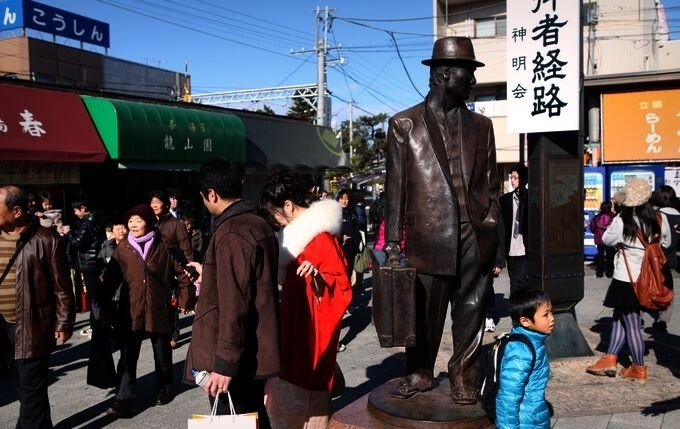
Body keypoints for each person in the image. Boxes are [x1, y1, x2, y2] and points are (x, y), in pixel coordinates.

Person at [384, 36, 500, 405]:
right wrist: (391, 244)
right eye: (467, 73)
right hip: (427, 236)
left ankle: (464, 374)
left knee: (472, 310)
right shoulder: (404, 124)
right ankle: (419, 372)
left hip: (474, 232)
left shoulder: (481, 125)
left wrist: (490, 222)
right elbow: (395, 189)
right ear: (443, 74)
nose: (472, 81)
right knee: (425, 312)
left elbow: (492, 184)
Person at [183, 159, 281, 428]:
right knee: (253, 419)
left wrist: (225, 365)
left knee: (238, 418)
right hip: (252, 349)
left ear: (211, 194)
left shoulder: (231, 232)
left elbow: (234, 304)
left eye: (204, 197)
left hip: (237, 357)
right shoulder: (258, 224)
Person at [261, 168, 352, 428]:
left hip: (309, 334)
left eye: (274, 213)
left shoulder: (320, 237)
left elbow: (341, 287)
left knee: (302, 404)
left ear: (288, 206)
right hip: (293, 325)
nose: (274, 219)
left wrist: (319, 278)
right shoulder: (294, 234)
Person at [102, 204, 190, 417]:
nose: (132, 225)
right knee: (127, 356)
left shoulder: (166, 245)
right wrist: (102, 302)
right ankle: (124, 399)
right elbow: (111, 279)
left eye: (138, 220)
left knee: (162, 352)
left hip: (158, 307)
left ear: (149, 222)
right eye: (130, 221)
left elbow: (183, 272)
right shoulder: (122, 248)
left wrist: (185, 299)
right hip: (130, 309)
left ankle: (164, 388)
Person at [0, 185, 75, 428]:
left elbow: (62, 287)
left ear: (17, 211)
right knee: (23, 387)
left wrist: (64, 322)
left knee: (31, 392)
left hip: (33, 326)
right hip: (3, 326)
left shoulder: (47, 240)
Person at [586, 178, 671, 383]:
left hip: (627, 278)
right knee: (619, 316)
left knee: (631, 324)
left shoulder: (624, 219)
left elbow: (607, 240)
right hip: (649, 277)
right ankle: (611, 358)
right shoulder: (659, 217)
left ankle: (639, 368)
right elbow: (666, 243)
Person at [495, 289, 554, 429]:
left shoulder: (535, 341)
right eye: (545, 315)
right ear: (525, 321)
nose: (552, 318)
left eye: (552, 312)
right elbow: (508, 398)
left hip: (533, 417)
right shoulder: (520, 352)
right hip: (525, 422)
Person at [149, 190, 195, 349]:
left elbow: (185, 247)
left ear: (166, 205)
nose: (154, 205)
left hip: (172, 268)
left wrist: (189, 267)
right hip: (153, 269)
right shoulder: (148, 222)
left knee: (171, 303)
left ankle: (173, 333)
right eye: (152, 202)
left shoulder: (176, 224)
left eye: (157, 202)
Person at [64, 196, 108, 318]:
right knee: (97, 296)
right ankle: (98, 322)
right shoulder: (96, 219)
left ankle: (98, 323)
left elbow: (78, 242)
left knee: (95, 298)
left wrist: (68, 233)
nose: (75, 213)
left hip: (90, 263)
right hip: (95, 263)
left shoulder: (89, 223)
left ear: (83, 208)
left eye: (76, 210)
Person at [648, 185, 679, 332]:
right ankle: (664, 319)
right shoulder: (679, 215)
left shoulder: (656, 215)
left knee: (649, 284)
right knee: (669, 288)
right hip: (672, 258)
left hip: (656, 257)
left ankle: (641, 311)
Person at [499, 164, 529, 295]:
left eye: (515, 178)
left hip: (524, 247)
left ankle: (521, 308)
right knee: (513, 281)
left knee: (522, 281)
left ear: (524, 179)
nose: (512, 181)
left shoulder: (530, 198)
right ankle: (515, 310)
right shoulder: (505, 200)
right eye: (511, 177)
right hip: (510, 247)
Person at [336, 188, 361, 280]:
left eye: (346, 198)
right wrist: (341, 239)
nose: (344, 201)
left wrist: (357, 241)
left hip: (352, 249)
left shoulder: (352, 212)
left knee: (349, 272)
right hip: (340, 248)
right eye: (341, 198)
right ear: (337, 199)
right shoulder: (334, 213)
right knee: (341, 273)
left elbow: (357, 228)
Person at [589, 201, 615, 278]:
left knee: (600, 257)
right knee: (610, 257)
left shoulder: (597, 217)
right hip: (610, 239)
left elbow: (592, 227)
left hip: (599, 239)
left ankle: (599, 273)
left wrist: (596, 232)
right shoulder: (613, 217)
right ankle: (609, 273)